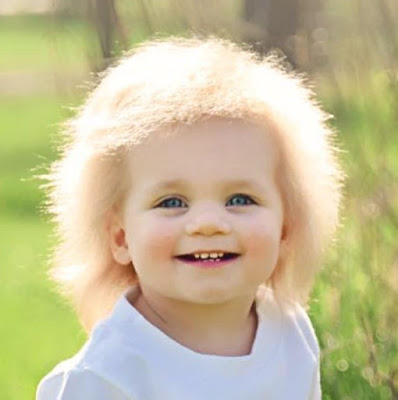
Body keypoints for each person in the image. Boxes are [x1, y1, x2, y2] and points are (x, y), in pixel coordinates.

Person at [36, 36, 343, 400]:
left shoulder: (289, 331)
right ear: (121, 238)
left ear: (286, 228)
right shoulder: (105, 378)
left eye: (240, 198)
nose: (208, 223)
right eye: (171, 202)